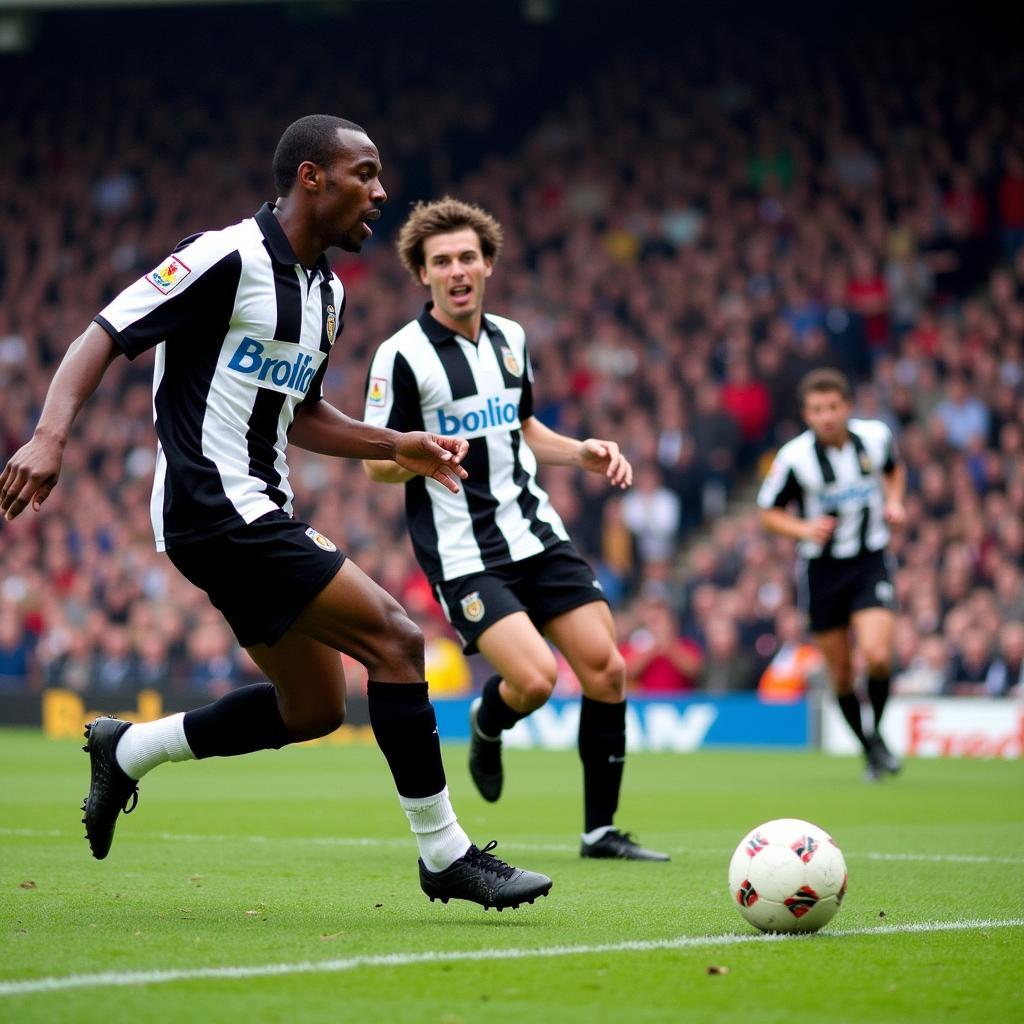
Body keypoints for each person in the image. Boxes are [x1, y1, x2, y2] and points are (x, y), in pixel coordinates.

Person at [0, 116, 551, 911]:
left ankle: (128, 749)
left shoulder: (326, 292)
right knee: (398, 641)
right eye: (365, 173)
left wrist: (399, 443)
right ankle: (445, 856)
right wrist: (48, 437)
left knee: (316, 708)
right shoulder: (223, 256)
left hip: (253, 511)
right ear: (311, 179)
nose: (382, 191)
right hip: (216, 507)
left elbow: (305, 412)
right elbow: (105, 334)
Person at [362, 197, 667, 861]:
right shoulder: (402, 357)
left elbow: (522, 428)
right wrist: (418, 455)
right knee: (534, 681)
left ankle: (598, 832)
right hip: (465, 550)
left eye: (468, 256)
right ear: (423, 275)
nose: (457, 269)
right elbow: (373, 464)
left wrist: (580, 450)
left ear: (488, 263)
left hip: (536, 530)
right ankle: (488, 720)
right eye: (441, 261)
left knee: (607, 670)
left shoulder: (511, 338)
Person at [757, 367, 906, 780]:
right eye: (817, 409)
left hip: (869, 559)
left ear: (848, 407)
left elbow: (895, 470)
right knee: (840, 672)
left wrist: (894, 501)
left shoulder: (875, 438)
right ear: (806, 414)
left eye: (832, 407)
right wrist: (804, 528)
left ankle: (875, 732)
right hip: (821, 570)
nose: (825, 416)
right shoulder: (795, 458)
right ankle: (871, 748)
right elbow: (767, 512)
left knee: (876, 656)